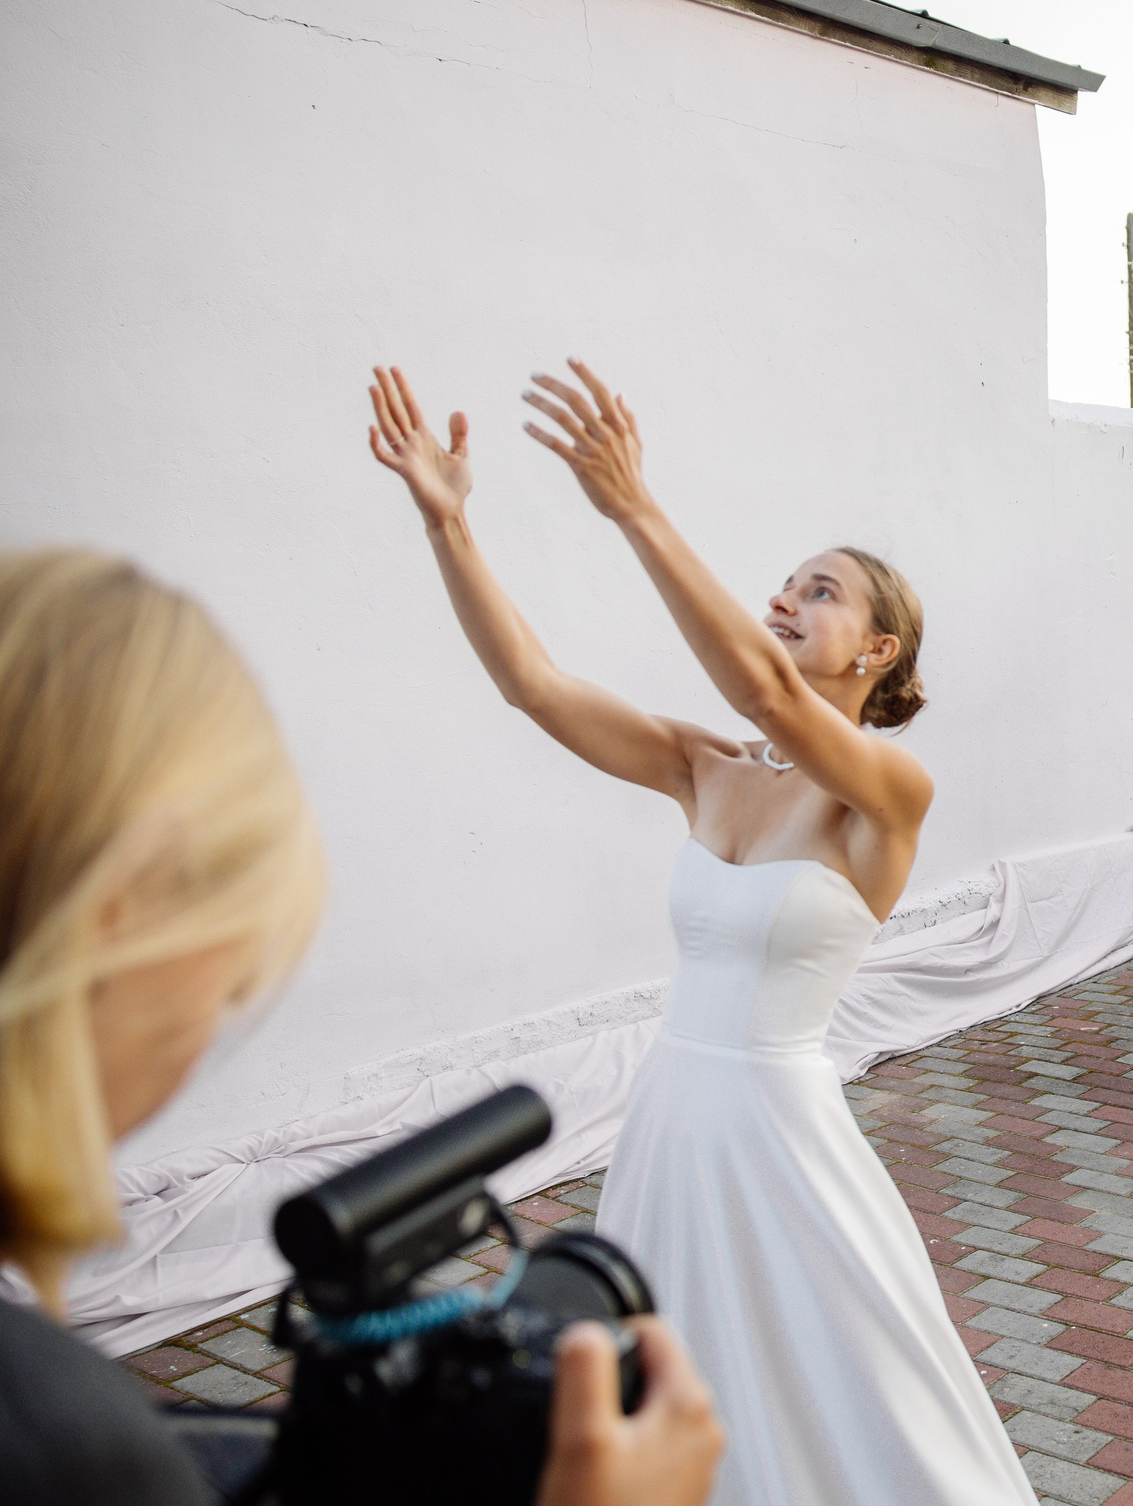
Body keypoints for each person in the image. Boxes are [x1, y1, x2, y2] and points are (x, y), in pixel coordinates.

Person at [366, 362, 1030, 1506]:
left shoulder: (885, 795)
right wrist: (449, 526)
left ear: (878, 651)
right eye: (784, 583)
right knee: (669, 1365)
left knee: (851, 1386)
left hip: (783, 1135)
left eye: (820, 591)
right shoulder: (706, 767)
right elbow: (532, 683)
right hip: (673, 1116)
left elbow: (773, 694)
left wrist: (633, 507)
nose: (787, 598)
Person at [0, 547, 724, 1506]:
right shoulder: (61, 1439)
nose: (224, 1017)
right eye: (236, 975)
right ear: (117, 925)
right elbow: (540, 683)